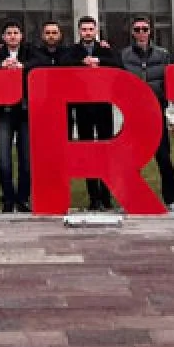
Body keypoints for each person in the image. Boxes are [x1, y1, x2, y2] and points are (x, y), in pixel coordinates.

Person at [119, 16, 174, 215]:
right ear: (132, 32)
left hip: (156, 113)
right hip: (133, 114)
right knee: (131, 159)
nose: (141, 33)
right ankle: (129, 199)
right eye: (137, 29)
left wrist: (167, 107)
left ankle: (171, 200)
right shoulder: (124, 55)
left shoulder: (163, 55)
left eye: (144, 29)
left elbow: (170, 83)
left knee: (163, 157)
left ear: (150, 31)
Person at [68, 16, 121, 211]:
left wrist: (99, 60)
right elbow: (66, 64)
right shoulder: (73, 51)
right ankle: (94, 198)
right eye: (84, 29)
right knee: (88, 152)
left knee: (106, 150)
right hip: (83, 109)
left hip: (103, 107)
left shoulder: (104, 49)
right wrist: (83, 62)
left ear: (96, 30)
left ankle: (107, 197)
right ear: (79, 31)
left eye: (91, 29)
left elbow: (117, 64)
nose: (87, 32)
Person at [0, 21, 34, 213]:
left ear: (21, 36)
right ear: (3, 37)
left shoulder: (29, 51)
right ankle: (8, 198)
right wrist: (1, 64)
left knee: (26, 159)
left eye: (16, 33)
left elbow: (42, 62)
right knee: (3, 159)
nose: (12, 36)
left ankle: (23, 198)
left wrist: (23, 66)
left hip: (24, 113)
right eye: (9, 33)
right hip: (5, 113)